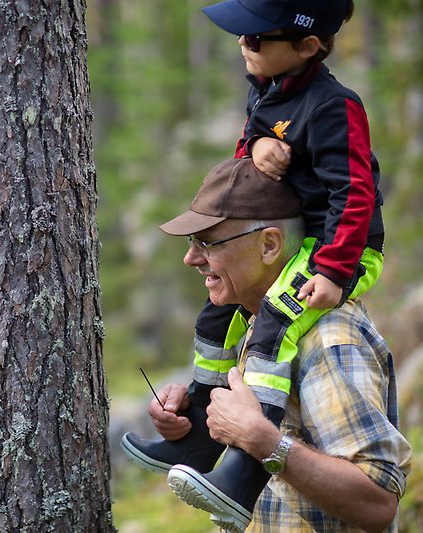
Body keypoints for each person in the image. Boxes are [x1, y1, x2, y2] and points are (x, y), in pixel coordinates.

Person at [121, 0, 387, 516]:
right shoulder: (265, 92)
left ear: (308, 46)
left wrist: (334, 270)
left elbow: (354, 195)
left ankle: (243, 471)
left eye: (257, 38)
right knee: (216, 313)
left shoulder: (336, 106)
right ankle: (199, 433)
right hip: (295, 243)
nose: (243, 44)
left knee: (275, 320)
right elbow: (250, 166)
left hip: (341, 249)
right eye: (242, 35)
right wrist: (259, 144)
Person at [146, 157, 410, 531]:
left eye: (207, 242)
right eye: (192, 242)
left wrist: (261, 439)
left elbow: (378, 501)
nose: (191, 258)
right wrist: (196, 417)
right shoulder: (257, 325)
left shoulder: (329, 341)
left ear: (270, 245)